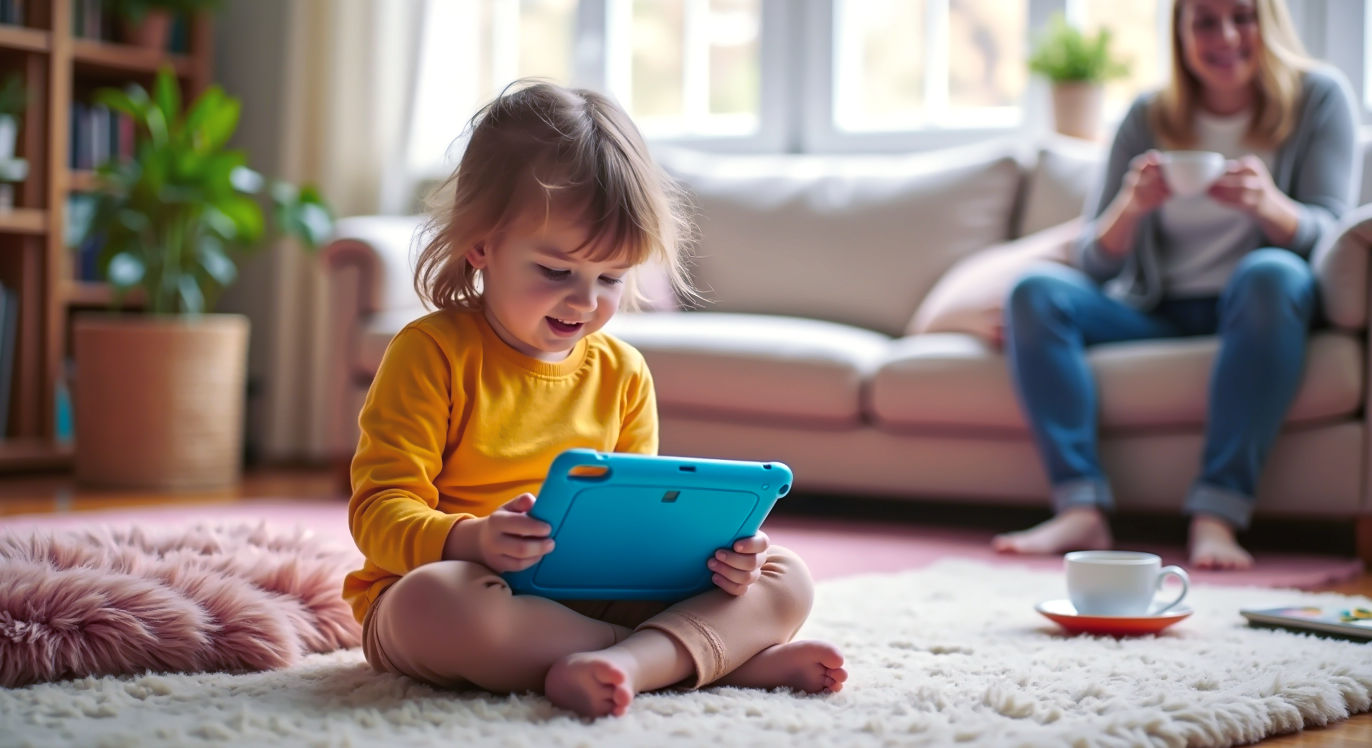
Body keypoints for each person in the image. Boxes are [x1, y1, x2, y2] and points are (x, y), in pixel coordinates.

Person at [342, 80, 846, 720]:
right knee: (430, 607)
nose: (584, 302)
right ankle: (699, 661)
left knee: (785, 575)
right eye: (556, 272)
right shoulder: (430, 352)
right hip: (463, 587)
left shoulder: (624, 372)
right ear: (482, 245)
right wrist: (471, 541)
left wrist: (715, 558)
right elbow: (379, 514)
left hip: (591, 598)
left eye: (609, 278)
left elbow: (642, 530)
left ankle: (632, 662)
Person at [992, 0, 1358, 570]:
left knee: (1271, 273)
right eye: (1204, 21)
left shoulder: (1319, 99)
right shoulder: (1147, 116)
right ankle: (1080, 505)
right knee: (1033, 292)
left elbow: (1333, 238)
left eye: (1242, 17)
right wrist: (1130, 210)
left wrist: (1272, 208)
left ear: (1269, 22)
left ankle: (1218, 515)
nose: (1226, 36)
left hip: (1261, 306)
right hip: (1156, 309)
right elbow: (1093, 260)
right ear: (1180, 33)